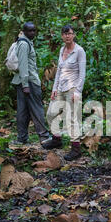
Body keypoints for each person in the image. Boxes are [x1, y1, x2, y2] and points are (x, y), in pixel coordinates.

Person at [44, 25, 87, 161]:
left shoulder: (79, 51)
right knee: (51, 113)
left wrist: (78, 91)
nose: (67, 36)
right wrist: (54, 89)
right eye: (65, 34)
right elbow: (59, 72)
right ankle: (56, 139)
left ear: (74, 35)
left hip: (72, 88)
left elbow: (82, 73)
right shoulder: (62, 49)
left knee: (72, 118)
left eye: (70, 34)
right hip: (61, 88)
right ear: (62, 36)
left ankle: (76, 148)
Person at [10, 22, 53, 148]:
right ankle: (44, 137)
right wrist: (25, 85)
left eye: (34, 30)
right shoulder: (24, 44)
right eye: (30, 31)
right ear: (24, 31)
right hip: (28, 81)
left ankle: (22, 138)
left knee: (22, 111)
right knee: (37, 109)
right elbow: (23, 65)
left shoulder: (25, 42)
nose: (32, 33)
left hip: (23, 81)